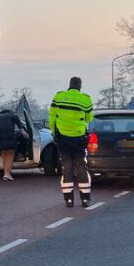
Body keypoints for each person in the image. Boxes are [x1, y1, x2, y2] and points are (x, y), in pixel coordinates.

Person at [49, 76, 94, 208]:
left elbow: (52, 117)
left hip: (63, 137)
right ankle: (85, 199)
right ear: (80, 86)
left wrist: (54, 132)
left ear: (69, 85)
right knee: (81, 166)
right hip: (79, 137)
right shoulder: (85, 99)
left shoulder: (59, 97)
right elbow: (88, 118)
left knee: (66, 167)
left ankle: (68, 200)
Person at [0, 108, 30, 181]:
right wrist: (24, 132)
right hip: (8, 138)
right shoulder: (12, 115)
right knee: (10, 155)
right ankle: (7, 174)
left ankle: (6, 173)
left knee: (4, 156)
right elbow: (20, 125)